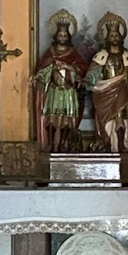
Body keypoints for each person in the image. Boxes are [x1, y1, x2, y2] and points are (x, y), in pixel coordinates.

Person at [32, 12, 89, 152]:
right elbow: (43, 68)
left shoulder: (73, 52)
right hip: (54, 90)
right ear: (55, 36)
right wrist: (40, 75)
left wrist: (69, 67)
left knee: (66, 119)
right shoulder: (50, 52)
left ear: (68, 37)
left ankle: (63, 143)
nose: (62, 37)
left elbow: (82, 69)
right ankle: (51, 143)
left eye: (64, 35)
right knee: (51, 118)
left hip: (68, 90)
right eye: (60, 35)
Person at [85, 14, 128, 153]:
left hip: (121, 89)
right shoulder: (101, 55)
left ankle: (120, 143)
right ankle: (107, 142)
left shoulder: (126, 56)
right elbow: (93, 72)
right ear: (107, 38)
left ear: (121, 37)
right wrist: (89, 80)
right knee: (106, 120)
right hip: (105, 92)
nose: (114, 38)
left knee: (119, 116)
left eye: (116, 35)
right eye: (111, 36)